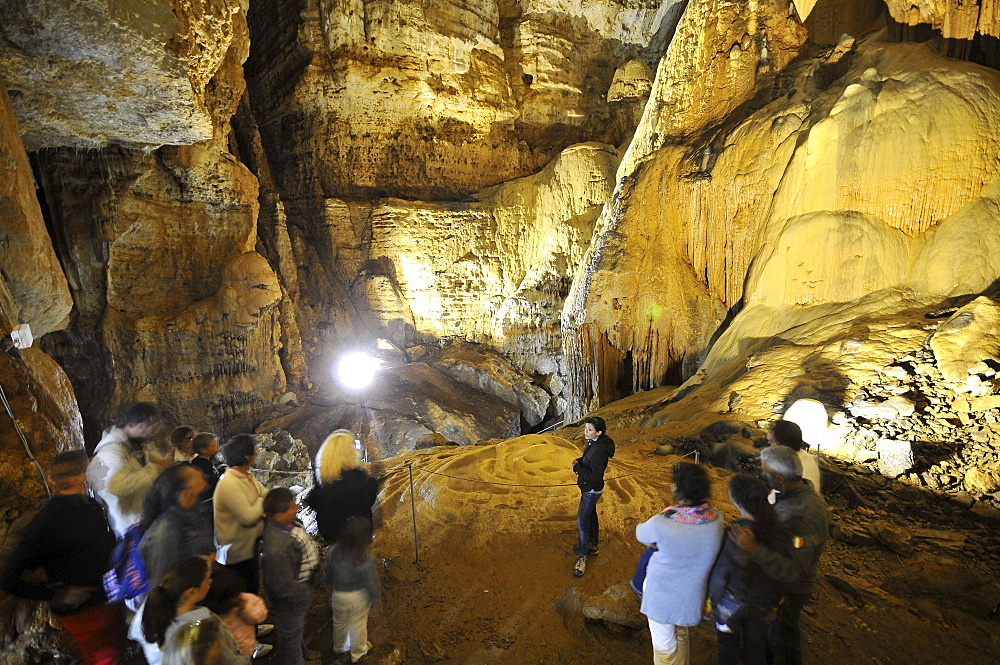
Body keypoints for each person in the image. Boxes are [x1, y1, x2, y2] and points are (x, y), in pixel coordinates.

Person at [0, 451, 127, 665]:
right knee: (105, 659)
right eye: (93, 467)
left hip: (106, 600)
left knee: (114, 652)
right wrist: (56, 594)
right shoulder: (47, 523)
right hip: (85, 612)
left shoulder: (91, 505)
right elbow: (8, 578)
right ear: (75, 477)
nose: (102, 470)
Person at [731, 446, 829, 665]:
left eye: (765, 472)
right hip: (780, 589)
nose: (762, 475)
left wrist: (754, 548)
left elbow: (793, 570)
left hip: (788, 592)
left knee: (782, 644)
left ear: (780, 479)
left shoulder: (800, 514)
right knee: (774, 639)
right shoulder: (801, 497)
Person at [636, 461, 724, 665]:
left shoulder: (664, 522)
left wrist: (668, 512)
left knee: (664, 648)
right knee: (681, 635)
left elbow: (641, 533)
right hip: (691, 596)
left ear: (677, 488)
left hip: (662, 597)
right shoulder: (716, 520)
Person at [708, 474, 789, 665]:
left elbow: (721, 574)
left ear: (735, 500)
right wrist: (776, 602)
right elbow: (781, 570)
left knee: (727, 650)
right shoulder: (776, 529)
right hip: (763, 604)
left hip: (731, 606)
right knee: (757, 649)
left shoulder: (737, 531)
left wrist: (712, 602)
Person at [141, 556, 247, 665]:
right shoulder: (201, 627)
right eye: (207, 580)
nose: (210, 581)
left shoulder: (161, 614)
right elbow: (228, 660)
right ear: (191, 592)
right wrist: (246, 660)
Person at [87, 401, 171, 537]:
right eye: (152, 427)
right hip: (128, 527)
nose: (154, 432)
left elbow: (151, 461)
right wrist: (156, 468)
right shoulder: (109, 452)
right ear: (141, 426)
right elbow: (116, 486)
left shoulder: (138, 444)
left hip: (145, 519)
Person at [262, 487, 319, 665]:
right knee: (290, 641)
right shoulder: (276, 549)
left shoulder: (292, 523)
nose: (296, 509)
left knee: (296, 632)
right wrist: (302, 595)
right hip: (291, 601)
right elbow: (282, 587)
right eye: (291, 507)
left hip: (299, 589)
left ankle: (303, 655)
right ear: (278, 515)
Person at [303, 429, 379, 545]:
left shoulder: (321, 475)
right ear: (348, 452)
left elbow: (314, 500)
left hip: (329, 532)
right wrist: (372, 482)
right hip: (354, 535)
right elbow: (366, 500)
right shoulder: (354, 476)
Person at [213, 434, 266, 594]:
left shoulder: (246, 477)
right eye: (255, 450)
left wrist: (263, 498)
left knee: (251, 589)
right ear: (246, 456)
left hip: (247, 548)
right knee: (242, 595)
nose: (257, 453)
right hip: (234, 556)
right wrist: (262, 500)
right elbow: (248, 516)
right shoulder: (229, 483)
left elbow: (265, 494)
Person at [325, 516, 380, 664]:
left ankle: (340, 646)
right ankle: (358, 653)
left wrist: (330, 585)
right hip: (359, 597)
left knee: (339, 622)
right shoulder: (365, 556)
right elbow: (370, 581)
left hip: (339, 595)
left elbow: (328, 573)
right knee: (358, 625)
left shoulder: (334, 550)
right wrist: (375, 598)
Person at [571, 415, 615, 577]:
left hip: (591, 489)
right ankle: (593, 545)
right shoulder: (595, 442)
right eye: (585, 428)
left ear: (599, 432)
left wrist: (577, 469)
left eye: (589, 430)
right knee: (591, 514)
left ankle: (582, 556)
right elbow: (588, 459)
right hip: (590, 488)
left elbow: (594, 475)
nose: (586, 432)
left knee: (582, 520)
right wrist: (580, 460)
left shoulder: (598, 451)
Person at [203, 565, 272, 659]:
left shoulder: (246, 600)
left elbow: (260, 616)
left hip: (246, 649)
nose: (236, 599)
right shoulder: (211, 614)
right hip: (226, 654)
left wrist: (245, 608)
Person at [769, 420, 820, 493]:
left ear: (782, 446)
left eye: (772, 442)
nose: (770, 446)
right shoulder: (803, 455)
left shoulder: (796, 470)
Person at [191, 432, 225, 497]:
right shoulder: (200, 466)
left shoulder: (213, 458)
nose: (217, 447)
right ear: (202, 450)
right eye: (213, 446)